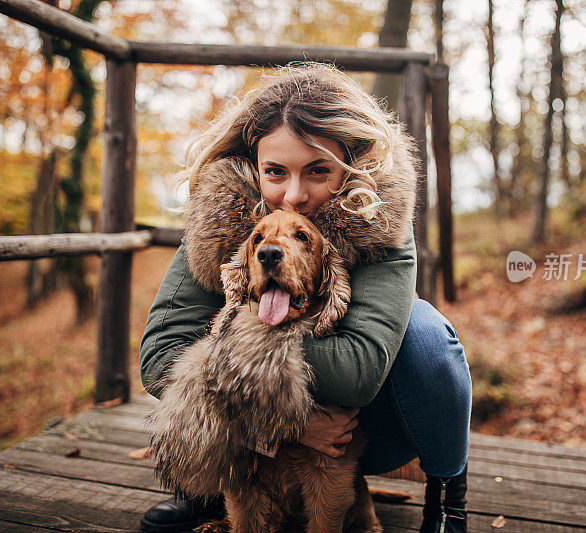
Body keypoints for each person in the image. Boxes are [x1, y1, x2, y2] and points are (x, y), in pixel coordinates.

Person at [139, 62, 472, 533]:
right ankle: (216, 487)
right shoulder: (222, 219)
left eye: (318, 170)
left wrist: (239, 344)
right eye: (275, 172)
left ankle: (447, 498)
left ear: (351, 167)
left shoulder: (379, 219)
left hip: (357, 430)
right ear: (254, 167)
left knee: (424, 331)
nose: (292, 196)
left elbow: (357, 374)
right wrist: (283, 427)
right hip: (248, 426)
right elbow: (160, 358)